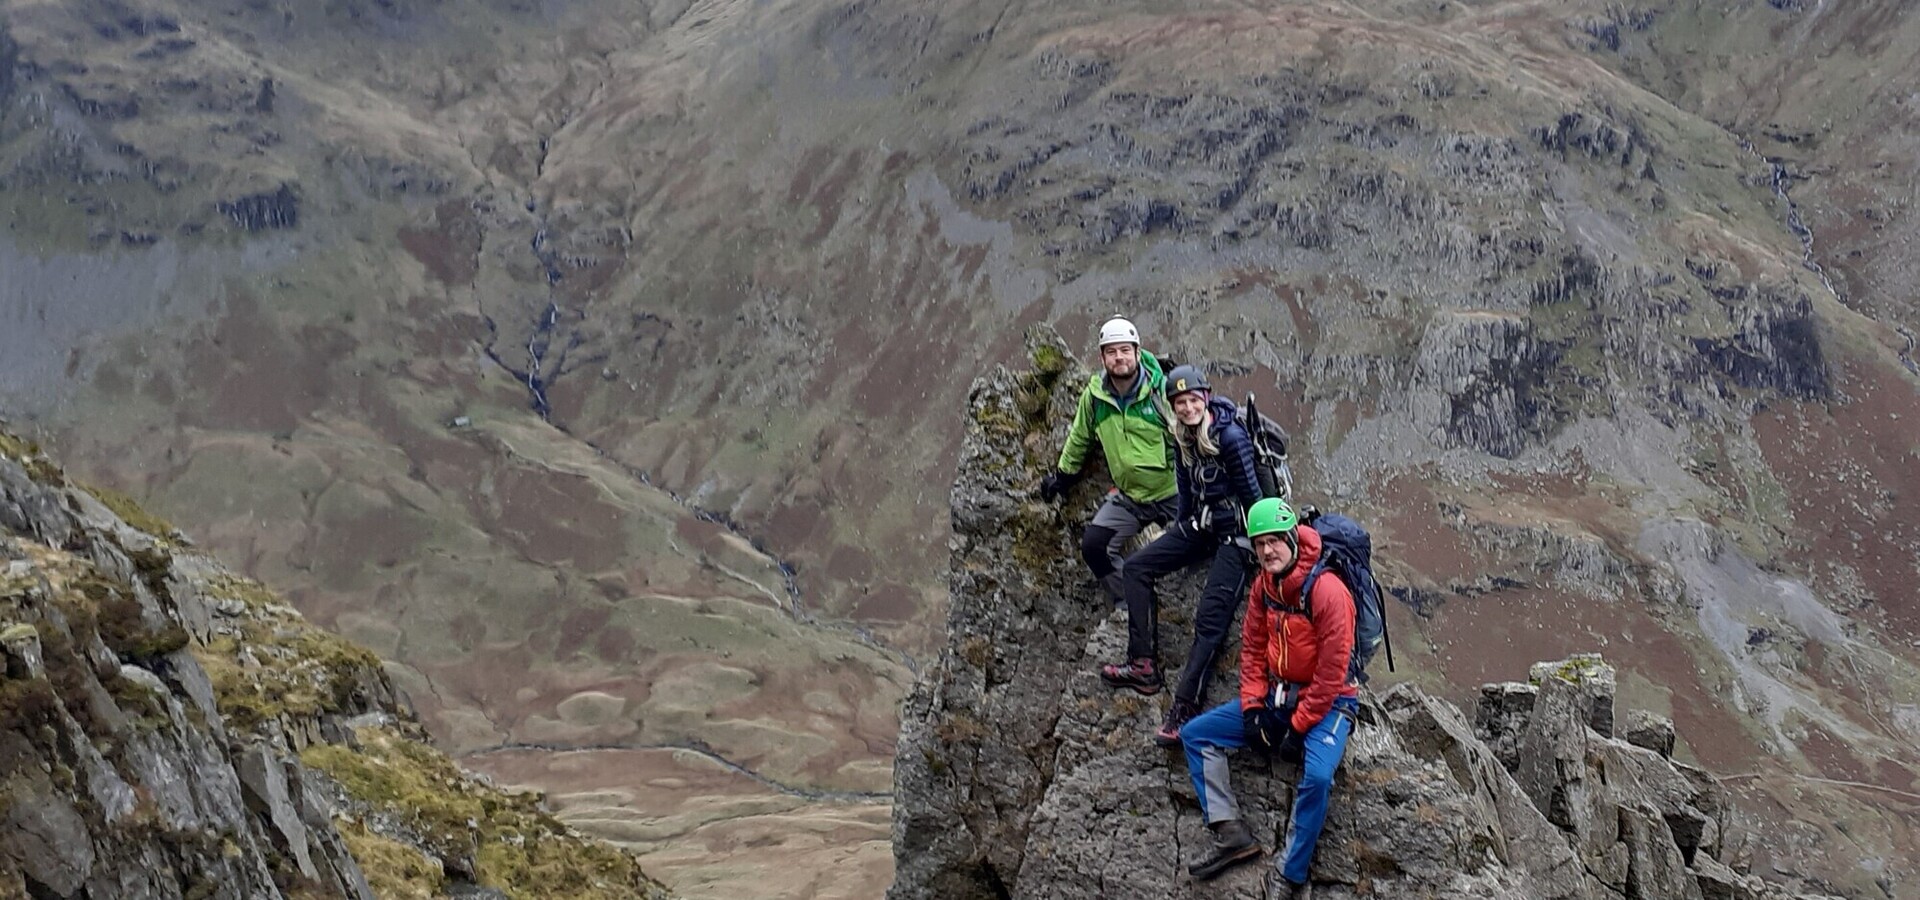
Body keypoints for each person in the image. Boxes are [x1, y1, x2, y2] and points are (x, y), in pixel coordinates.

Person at [1178, 498, 1359, 893]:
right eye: (1260, 543)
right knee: (1196, 735)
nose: (1267, 551)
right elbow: (1253, 650)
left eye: (1275, 540)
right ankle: (1231, 833)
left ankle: (1289, 875)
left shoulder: (1328, 591)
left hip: (1330, 703)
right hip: (1279, 695)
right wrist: (1252, 709)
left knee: (1317, 777)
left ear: (1292, 538)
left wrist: (1298, 728)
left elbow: (1332, 673)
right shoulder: (1264, 586)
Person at [1101, 365, 1263, 747]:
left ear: (1205, 398)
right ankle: (1142, 664)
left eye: (1193, 400)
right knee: (1137, 567)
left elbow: (1255, 498)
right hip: (1201, 528)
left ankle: (1185, 707)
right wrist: (1178, 534)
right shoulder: (1183, 438)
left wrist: (1261, 547)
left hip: (1237, 536)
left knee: (1209, 620)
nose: (1188, 408)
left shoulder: (1231, 437)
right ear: (1173, 407)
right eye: (1180, 403)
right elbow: (1186, 493)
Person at [1037, 317, 1178, 605]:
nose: (1119, 358)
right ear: (1102, 358)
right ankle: (1134, 603)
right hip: (1131, 498)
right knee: (1094, 547)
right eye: (1111, 352)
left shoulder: (1161, 391)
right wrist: (1062, 477)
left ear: (1137, 352)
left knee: (1193, 548)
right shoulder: (1095, 398)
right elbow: (1080, 438)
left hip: (1174, 493)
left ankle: (1177, 607)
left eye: (1125, 350)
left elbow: (1191, 438)